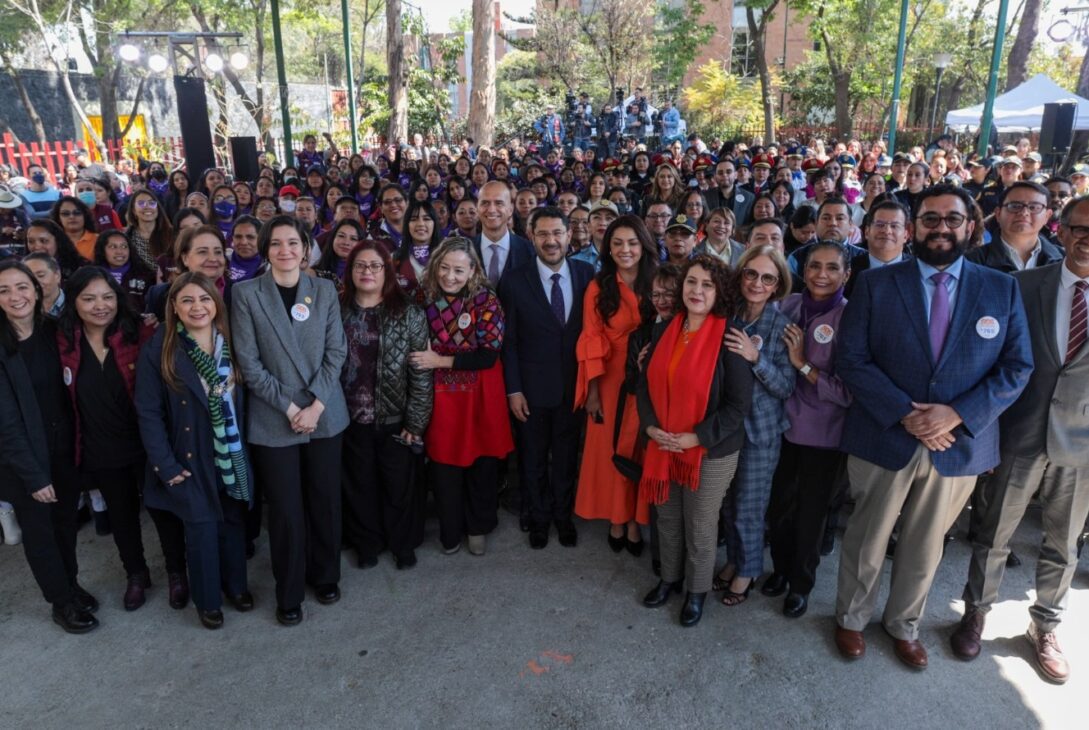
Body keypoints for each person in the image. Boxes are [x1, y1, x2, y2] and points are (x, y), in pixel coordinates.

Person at [833, 185, 1034, 669]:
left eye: (952, 219)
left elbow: (1017, 366)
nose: (941, 228)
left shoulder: (1001, 287)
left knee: (926, 546)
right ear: (914, 227)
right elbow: (851, 358)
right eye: (930, 219)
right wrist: (907, 412)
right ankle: (851, 619)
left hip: (959, 443)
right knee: (867, 538)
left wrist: (956, 414)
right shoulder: (877, 284)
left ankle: (903, 625)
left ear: (970, 226)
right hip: (885, 434)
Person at [950, 198, 1089, 682]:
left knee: (1063, 544)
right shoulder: (1023, 286)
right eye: (1080, 228)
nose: (1087, 238)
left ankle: (1045, 626)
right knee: (993, 534)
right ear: (1063, 232)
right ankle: (976, 613)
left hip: (1082, 447)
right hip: (1020, 434)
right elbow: (996, 362)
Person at [230, 216, 348, 626]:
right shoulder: (245, 293)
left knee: (324, 500)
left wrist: (315, 404)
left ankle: (326, 576)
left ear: (306, 247)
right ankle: (289, 591)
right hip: (274, 416)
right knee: (284, 510)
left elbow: (336, 351)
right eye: (276, 243)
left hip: (324, 414)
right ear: (265, 249)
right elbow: (248, 361)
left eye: (293, 243)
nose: (285, 251)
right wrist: (290, 407)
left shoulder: (325, 289)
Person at [56, 267, 188, 612]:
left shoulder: (141, 331)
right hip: (101, 447)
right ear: (74, 302)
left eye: (107, 296)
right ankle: (136, 574)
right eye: (89, 298)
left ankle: (177, 572)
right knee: (122, 516)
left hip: (146, 443)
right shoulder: (63, 340)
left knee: (164, 511)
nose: (100, 305)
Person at [637, 255, 753, 627]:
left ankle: (696, 592)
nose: (697, 290)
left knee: (701, 529)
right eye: (691, 282)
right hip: (663, 443)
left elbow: (738, 406)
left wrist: (695, 437)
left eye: (706, 284)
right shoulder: (664, 330)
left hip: (711, 450)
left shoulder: (729, 337)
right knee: (668, 521)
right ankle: (669, 580)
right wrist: (651, 427)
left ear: (719, 291)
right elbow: (644, 386)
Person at [134, 272, 254, 630]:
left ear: (216, 303)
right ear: (174, 307)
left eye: (204, 299)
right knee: (201, 528)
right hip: (188, 453)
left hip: (231, 450)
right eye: (187, 300)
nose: (197, 307)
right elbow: (148, 412)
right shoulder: (161, 348)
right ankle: (208, 600)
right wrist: (166, 467)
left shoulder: (231, 342)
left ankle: (237, 586)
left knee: (233, 521)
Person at [0, 260, 94, 633]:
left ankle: (71, 584)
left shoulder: (54, 331)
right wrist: (34, 476)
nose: (15, 296)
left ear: (37, 290)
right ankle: (60, 602)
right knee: (40, 534)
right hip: (23, 461)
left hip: (62, 448)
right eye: (4, 290)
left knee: (66, 525)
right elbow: (5, 423)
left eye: (22, 287)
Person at [763, 241, 853, 618]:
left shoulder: (849, 319)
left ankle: (801, 584)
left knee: (811, 515)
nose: (821, 274)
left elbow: (847, 393)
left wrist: (803, 365)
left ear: (846, 274)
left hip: (824, 435)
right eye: (815, 266)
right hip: (781, 427)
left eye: (832, 268)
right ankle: (781, 570)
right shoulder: (789, 306)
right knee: (779, 507)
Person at [407, 237, 512, 556]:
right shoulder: (422, 296)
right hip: (439, 393)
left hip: (480, 391)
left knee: (481, 461)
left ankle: (478, 526)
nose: (450, 276)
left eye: (458, 270)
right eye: (444, 267)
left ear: (472, 271)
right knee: (443, 463)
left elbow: (489, 355)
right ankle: (450, 530)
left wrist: (440, 360)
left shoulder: (485, 301)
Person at [501, 207, 594, 549]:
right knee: (533, 459)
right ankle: (538, 519)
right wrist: (514, 389)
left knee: (567, 459)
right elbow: (508, 342)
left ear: (570, 236)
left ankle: (562, 517)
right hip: (531, 390)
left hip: (573, 388)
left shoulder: (586, 275)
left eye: (557, 233)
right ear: (531, 236)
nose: (551, 241)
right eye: (543, 234)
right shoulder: (513, 280)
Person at [339, 240, 432, 569]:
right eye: (360, 265)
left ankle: (402, 544)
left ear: (387, 270)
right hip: (349, 419)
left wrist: (415, 422)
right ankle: (367, 543)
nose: (367, 271)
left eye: (375, 265)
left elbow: (420, 372)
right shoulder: (337, 310)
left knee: (399, 487)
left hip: (395, 416)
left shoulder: (408, 312)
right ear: (350, 272)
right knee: (359, 486)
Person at [715, 245, 795, 605]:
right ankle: (734, 559)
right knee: (728, 505)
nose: (757, 283)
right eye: (751, 273)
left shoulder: (782, 325)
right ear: (741, 273)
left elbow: (785, 386)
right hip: (724, 426)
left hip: (759, 432)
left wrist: (755, 357)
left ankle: (747, 571)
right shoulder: (726, 312)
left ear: (777, 284)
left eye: (767, 278)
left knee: (749, 506)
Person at [574, 215, 657, 553]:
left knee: (641, 449)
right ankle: (616, 519)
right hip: (608, 378)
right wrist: (592, 391)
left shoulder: (658, 281)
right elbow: (591, 338)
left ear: (644, 246)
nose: (625, 249)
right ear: (608, 247)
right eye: (618, 243)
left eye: (632, 243)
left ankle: (636, 521)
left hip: (648, 377)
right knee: (611, 450)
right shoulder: (599, 285)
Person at [967, 182, 1063, 273]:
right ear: (998, 214)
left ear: (1047, 215)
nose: (1024, 212)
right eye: (1015, 206)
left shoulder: (1064, 259)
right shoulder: (971, 261)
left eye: (1034, 207)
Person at [845, 200, 913, 297]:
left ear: (906, 235)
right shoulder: (848, 269)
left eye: (894, 226)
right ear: (867, 232)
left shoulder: (918, 271)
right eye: (880, 225)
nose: (886, 231)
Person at [473, 181, 534, 287]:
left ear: (510, 209)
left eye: (499, 203)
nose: (491, 210)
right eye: (485, 203)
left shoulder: (530, 252)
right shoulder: (464, 250)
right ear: (477, 208)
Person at [92, 230, 156, 314]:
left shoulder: (145, 274)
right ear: (102, 250)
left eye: (124, 246)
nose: (119, 252)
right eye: (113, 247)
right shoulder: (92, 275)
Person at [393, 199, 441, 301]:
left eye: (427, 218)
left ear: (434, 223)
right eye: (414, 219)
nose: (420, 224)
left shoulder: (447, 255)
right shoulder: (394, 258)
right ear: (407, 225)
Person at [124, 188, 174, 271]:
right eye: (141, 203)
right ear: (134, 210)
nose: (147, 207)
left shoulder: (172, 234)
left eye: (152, 203)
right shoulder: (128, 238)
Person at [703, 159, 755, 226]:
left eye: (728, 172)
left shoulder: (749, 198)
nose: (724, 175)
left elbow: (750, 224)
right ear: (715, 177)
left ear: (736, 175)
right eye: (720, 173)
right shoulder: (705, 196)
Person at [50, 196, 98, 261]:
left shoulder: (98, 240)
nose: (71, 217)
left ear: (85, 216)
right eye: (65, 214)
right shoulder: (52, 241)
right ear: (58, 218)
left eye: (77, 213)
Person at [225, 216, 264, 285]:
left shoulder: (270, 268)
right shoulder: (223, 260)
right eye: (238, 237)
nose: (243, 242)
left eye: (250, 237)